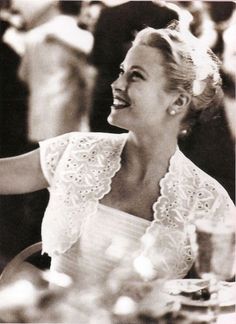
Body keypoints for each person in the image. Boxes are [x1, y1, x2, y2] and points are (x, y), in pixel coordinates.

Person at [0, 22, 234, 289]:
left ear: (178, 102)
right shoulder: (76, 151)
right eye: (122, 71)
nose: (116, 84)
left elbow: (220, 295)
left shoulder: (209, 200)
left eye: (135, 76)